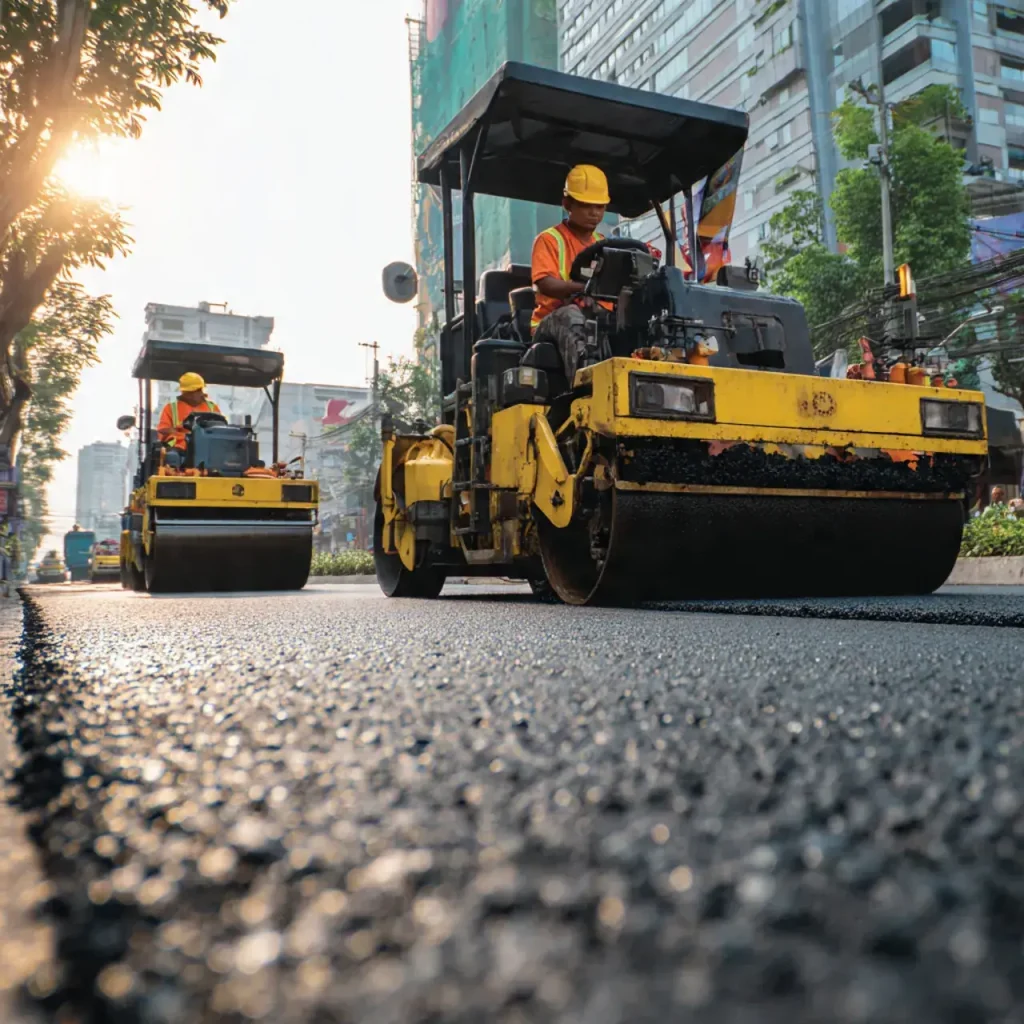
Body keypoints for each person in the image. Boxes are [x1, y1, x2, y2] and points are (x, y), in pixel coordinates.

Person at [530, 164, 610, 382]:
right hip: (550, 322)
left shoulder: (605, 245)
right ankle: (586, 389)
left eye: (600, 207)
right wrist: (584, 289)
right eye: (586, 205)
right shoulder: (549, 240)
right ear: (567, 204)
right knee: (571, 315)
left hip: (592, 317)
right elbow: (545, 283)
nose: (594, 213)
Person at [156, 372, 220, 450]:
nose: (194, 395)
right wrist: (182, 435)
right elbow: (163, 429)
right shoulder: (171, 408)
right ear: (183, 392)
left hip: (208, 448)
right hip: (179, 451)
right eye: (190, 392)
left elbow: (221, 429)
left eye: (198, 390)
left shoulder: (213, 408)